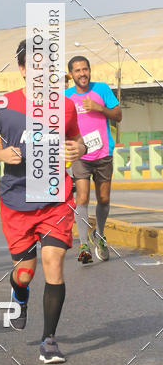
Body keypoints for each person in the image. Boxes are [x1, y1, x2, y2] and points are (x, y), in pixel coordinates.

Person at [0, 40, 86, 365]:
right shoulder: (5, 106)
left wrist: (78, 149)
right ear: (24, 70)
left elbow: (77, 138)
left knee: (54, 263)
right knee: (25, 272)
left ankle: (49, 340)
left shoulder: (65, 107)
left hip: (55, 197)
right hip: (16, 200)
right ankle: (19, 295)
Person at [66, 55, 122, 264]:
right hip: (80, 155)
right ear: (71, 74)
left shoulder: (102, 89)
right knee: (82, 198)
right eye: (78, 70)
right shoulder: (66, 96)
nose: (83, 74)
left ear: (89, 70)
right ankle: (83, 245)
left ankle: (99, 233)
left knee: (104, 199)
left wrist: (100, 108)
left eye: (85, 69)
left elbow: (118, 115)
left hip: (103, 153)